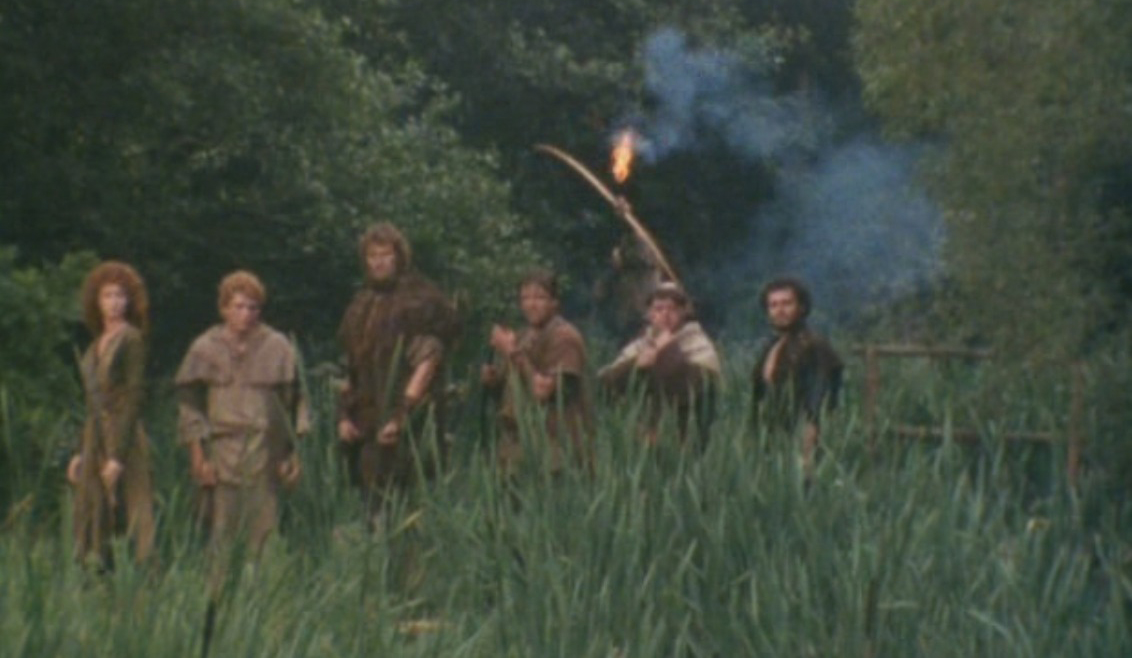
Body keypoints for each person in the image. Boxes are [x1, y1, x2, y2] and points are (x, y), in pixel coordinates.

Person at [174, 271, 306, 565]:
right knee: (219, 534)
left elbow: (294, 403)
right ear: (224, 308)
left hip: (264, 450)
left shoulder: (277, 346)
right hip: (221, 449)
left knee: (265, 535)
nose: (246, 314)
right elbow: (189, 404)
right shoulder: (205, 347)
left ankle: (265, 589)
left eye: (253, 308)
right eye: (238, 307)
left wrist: (292, 452)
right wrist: (198, 454)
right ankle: (218, 590)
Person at [337, 223, 459, 519]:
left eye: (385, 255)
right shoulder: (361, 305)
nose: (378, 262)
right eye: (372, 255)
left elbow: (428, 359)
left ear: (398, 257)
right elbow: (350, 366)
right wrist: (344, 416)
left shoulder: (419, 299)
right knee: (372, 506)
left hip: (407, 423)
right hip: (368, 420)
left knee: (409, 506)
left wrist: (402, 413)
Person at [68, 261, 155, 569]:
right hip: (96, 434)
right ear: (97, 301)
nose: (115, 303)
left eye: (120, 296)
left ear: (130, 301)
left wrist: (118, 455)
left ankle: (143, 579)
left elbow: (134, 396)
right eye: (108, 296)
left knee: (134, 510)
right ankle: (96, 579)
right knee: (92, 511)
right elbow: (91, 404)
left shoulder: (131, 339)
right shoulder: (94, 346)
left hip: (124, 432)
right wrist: (80, 450)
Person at [482, 269, 592, 474]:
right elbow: (513, 389)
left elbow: (542, 390)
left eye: (539, 298)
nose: (531, 305)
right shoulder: (524, 336)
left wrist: (511, 352)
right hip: (520, 446)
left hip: (555, 450)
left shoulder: (564, 337)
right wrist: (493, 380)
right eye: (525, 298)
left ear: (554, 302)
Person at [598, 282, 721, 448]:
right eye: (658, 309)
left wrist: (666, 350)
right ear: (649, 314)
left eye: (672, 309)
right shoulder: (639, 346)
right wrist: (635, 365)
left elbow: (695, 388)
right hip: (640, 437)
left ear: (683, 313)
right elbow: (605, 384)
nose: (665, 314)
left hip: (683, 439)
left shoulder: (698, 344)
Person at [750, 277, 843, 479]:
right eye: (773, 305)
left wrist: (807, 454)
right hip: (772, 443)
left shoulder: (814, 347)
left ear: (801, 307)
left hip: (800, 442)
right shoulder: (771, 346)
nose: (780, 310)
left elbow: (816, 403)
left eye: (787, 303)